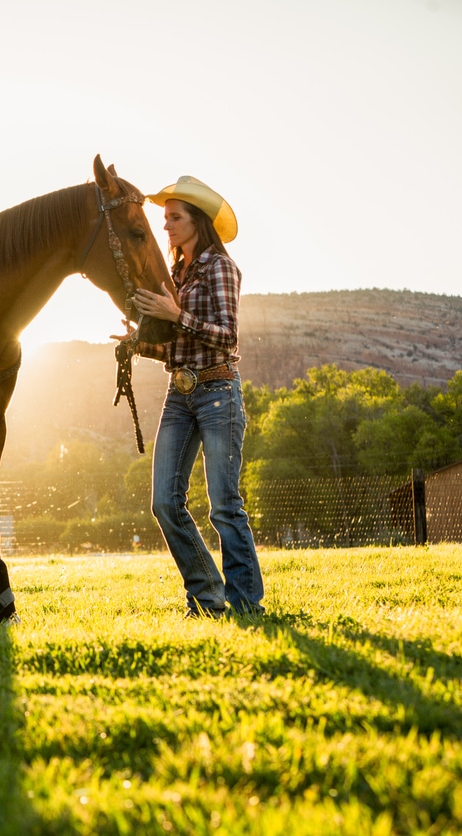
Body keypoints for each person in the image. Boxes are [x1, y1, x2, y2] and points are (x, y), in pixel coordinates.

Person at [122, 175, 265, 617]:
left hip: (218, 390)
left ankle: (244, 605)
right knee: (164, 502)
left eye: (174, 218)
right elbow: (175, 347)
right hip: (179, 393)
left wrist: (175, 313)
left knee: (224, 505)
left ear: (197, 221)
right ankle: (207, 598)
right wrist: (137, 345)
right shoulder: (176, 275)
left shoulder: (220, 268)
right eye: (164, 218)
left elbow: (227, 337)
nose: (165, 226)